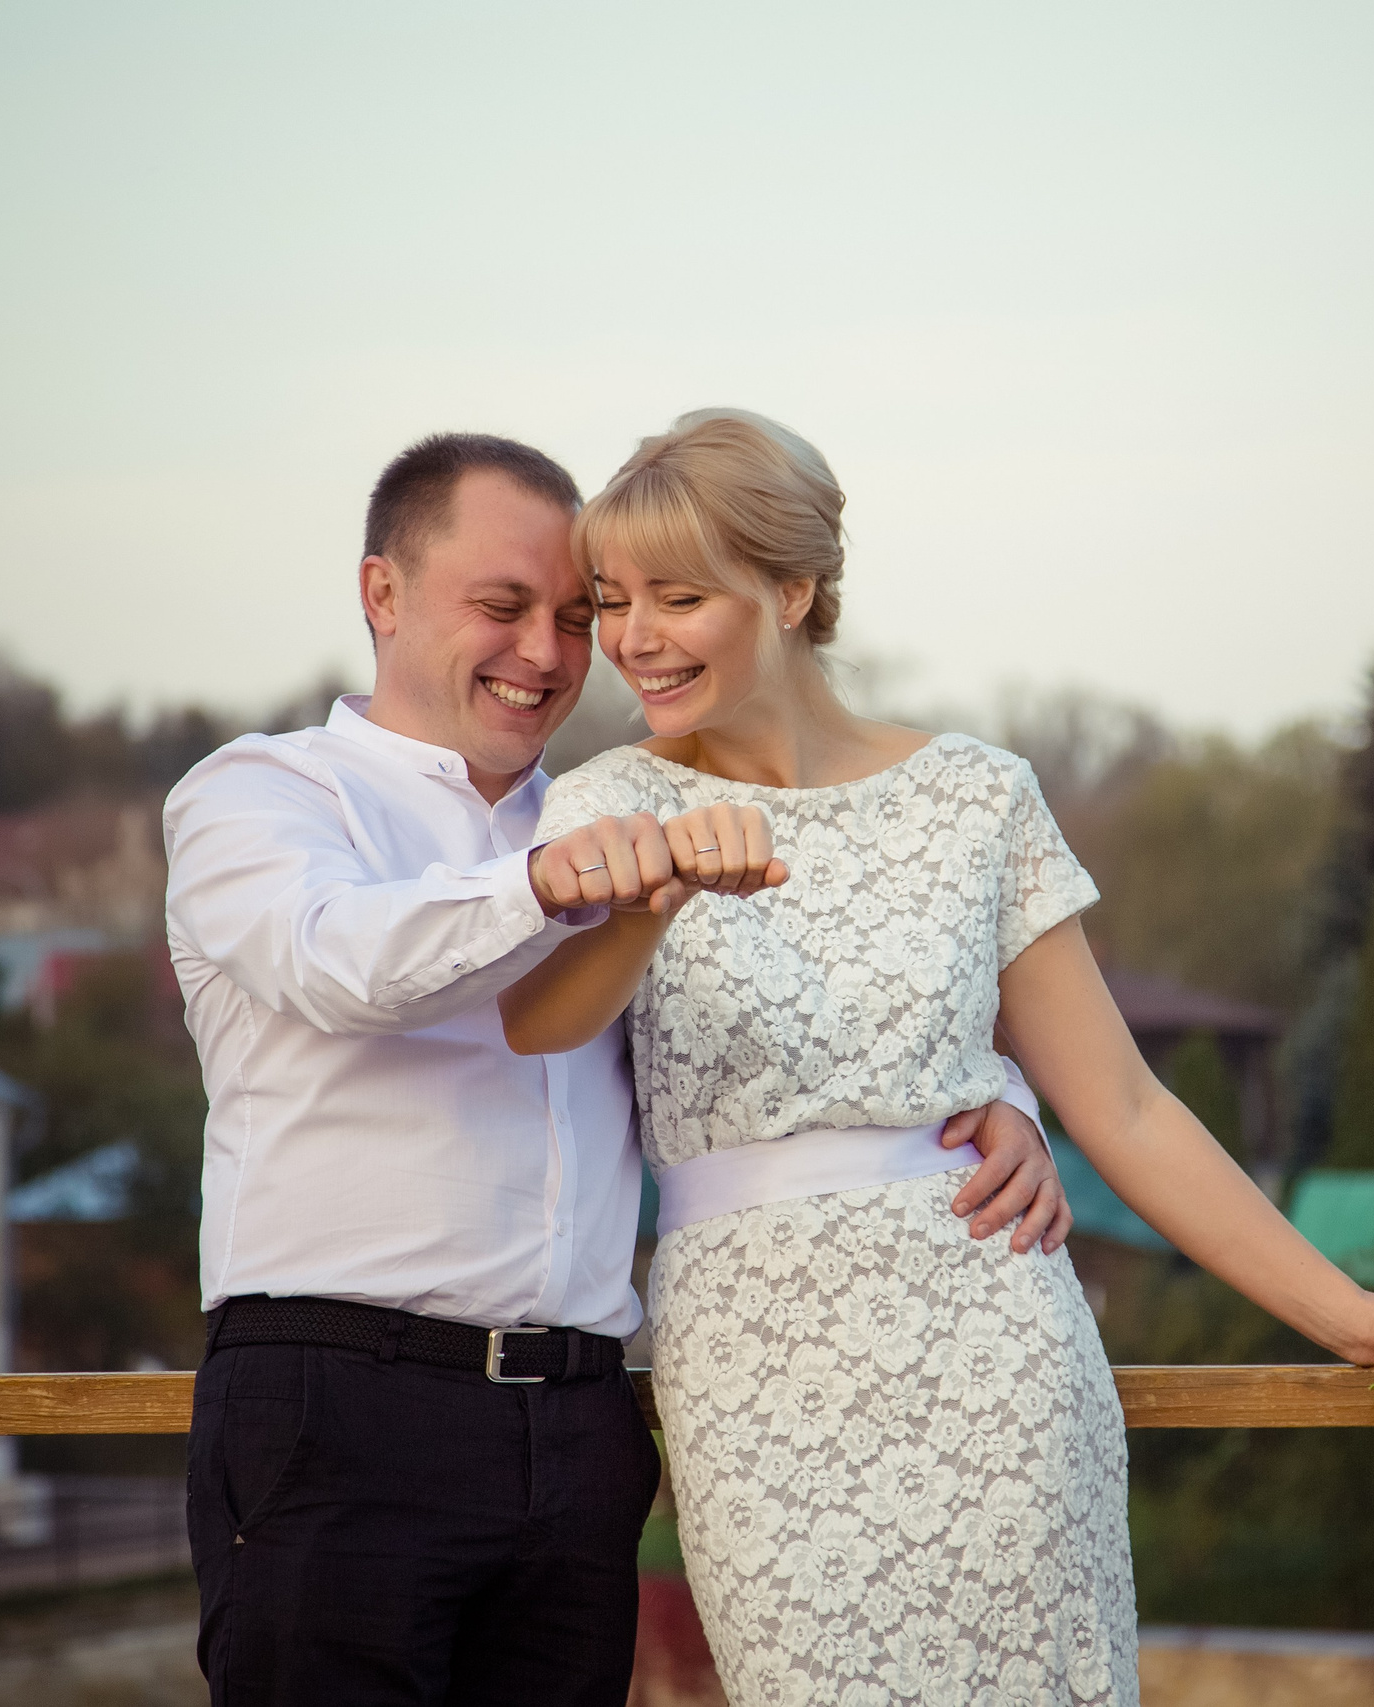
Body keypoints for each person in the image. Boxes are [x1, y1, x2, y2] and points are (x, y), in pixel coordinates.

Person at [501, 409, 1374, 1707]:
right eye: (614, 599)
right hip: (756, 1373)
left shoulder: (979, 795)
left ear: (795, 588)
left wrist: (1351, 1312)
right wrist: (653, 898)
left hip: (995, 1351)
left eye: (678, 596)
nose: (632, 637)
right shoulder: (604, 805)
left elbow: (1131, 1106)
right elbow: (537, 1022)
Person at [161, 431, 1067, 1706]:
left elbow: (816, 1006)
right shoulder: (263, 799)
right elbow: (336, 962)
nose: (545, 651)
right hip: (337, 1407)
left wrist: (995, 1104)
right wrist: (547, 884)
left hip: (586, 1426)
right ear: (381, 594)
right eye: (501, 607)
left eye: (573, 615)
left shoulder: (617, 808)